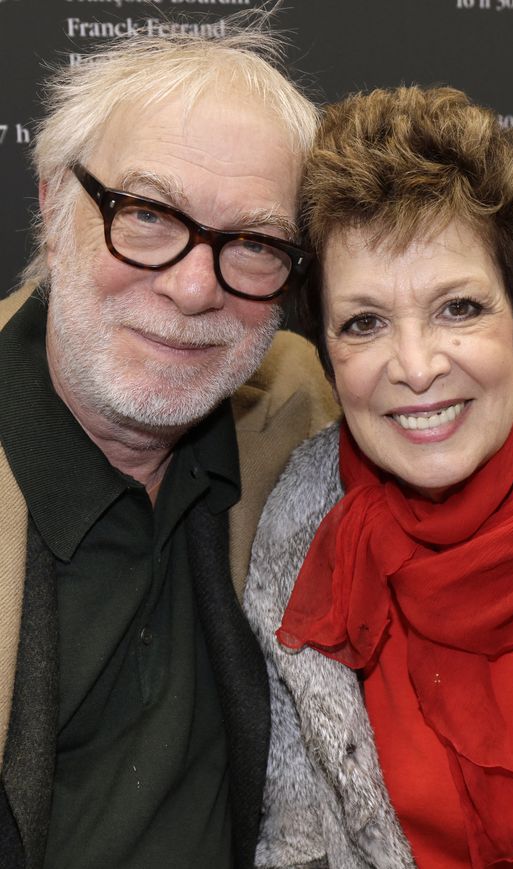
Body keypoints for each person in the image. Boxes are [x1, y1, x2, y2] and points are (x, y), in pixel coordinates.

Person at [0, 23, 337, 869]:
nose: (193, 289)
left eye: (254, 244)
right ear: (52, 206)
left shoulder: (298, 414)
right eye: (146, 215)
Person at [243, 85, 513, 869]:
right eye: (364, 323)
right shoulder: (299, 535)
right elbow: (296, 847)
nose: (418, 367)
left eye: (459, 308)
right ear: (328, 359)